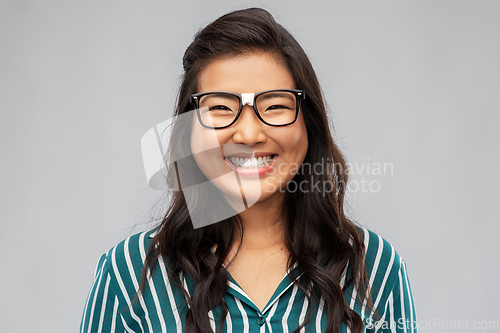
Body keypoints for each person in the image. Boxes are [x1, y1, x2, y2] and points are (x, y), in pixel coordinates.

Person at [80, 7, 416, 333]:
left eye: (275, 106)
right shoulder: (127, 274)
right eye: (221, 108)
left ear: (308, 124)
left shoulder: (374, 268)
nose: (250, 135)